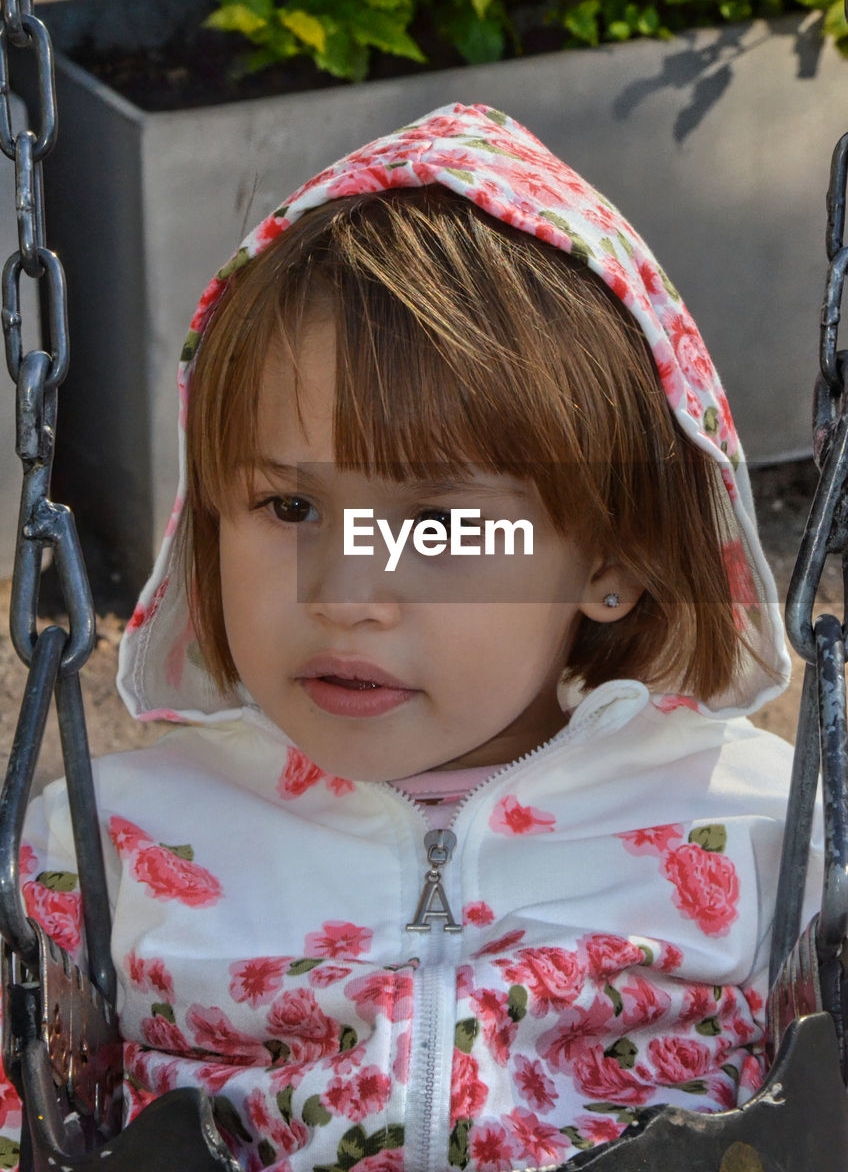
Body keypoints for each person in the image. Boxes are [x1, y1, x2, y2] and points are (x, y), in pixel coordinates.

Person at [0, 103, 821, 1172]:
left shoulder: (759, 833)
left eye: (438, 524)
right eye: (288, 509)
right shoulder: (104, 850)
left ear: (609, 559)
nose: (346, 591)